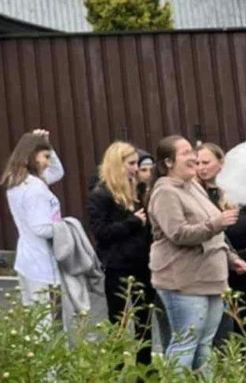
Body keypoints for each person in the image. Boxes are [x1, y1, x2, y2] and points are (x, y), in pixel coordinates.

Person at [148, 135, 246, 371]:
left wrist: (231, 259)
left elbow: (215, 233)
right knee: (185, 343)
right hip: (184, 281)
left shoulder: (193, 186)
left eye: (191, 151)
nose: (193, 157)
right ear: (169, 162)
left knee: (205, 344)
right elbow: (179, 234)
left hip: (213, 278)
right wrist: (217, 222)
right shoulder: (165, 192)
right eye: (185, 153)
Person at [89, 141, 154, 365]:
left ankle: (145, 369)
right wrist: (133, 222)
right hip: (118, 266)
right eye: (132, 163)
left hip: (143, 264)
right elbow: (101, 232)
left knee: (144, 320)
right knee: (117, 320)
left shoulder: (138, 190)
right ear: (118, 164)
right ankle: (115, 368)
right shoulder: (101, 194)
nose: (136, 168)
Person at [197, 142, 246, 345]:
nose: (201, 167)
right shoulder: (196, 194)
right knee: (216, 324)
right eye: (197, 162)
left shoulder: (238, 191)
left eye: (206, 162)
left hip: (241, 266)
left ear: (221, 163)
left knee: (243, 317)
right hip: (211, 266)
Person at [1, 129, 64, 323]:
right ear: (32, 155)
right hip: (41, 260)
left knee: (34, 316)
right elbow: (41, 228)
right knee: (46, 320)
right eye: (45, 156)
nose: (48, 161)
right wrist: (67, 228)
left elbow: (58, 172)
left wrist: (48, 145)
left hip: (27, 257)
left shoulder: (17, 182)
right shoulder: (34, 187)